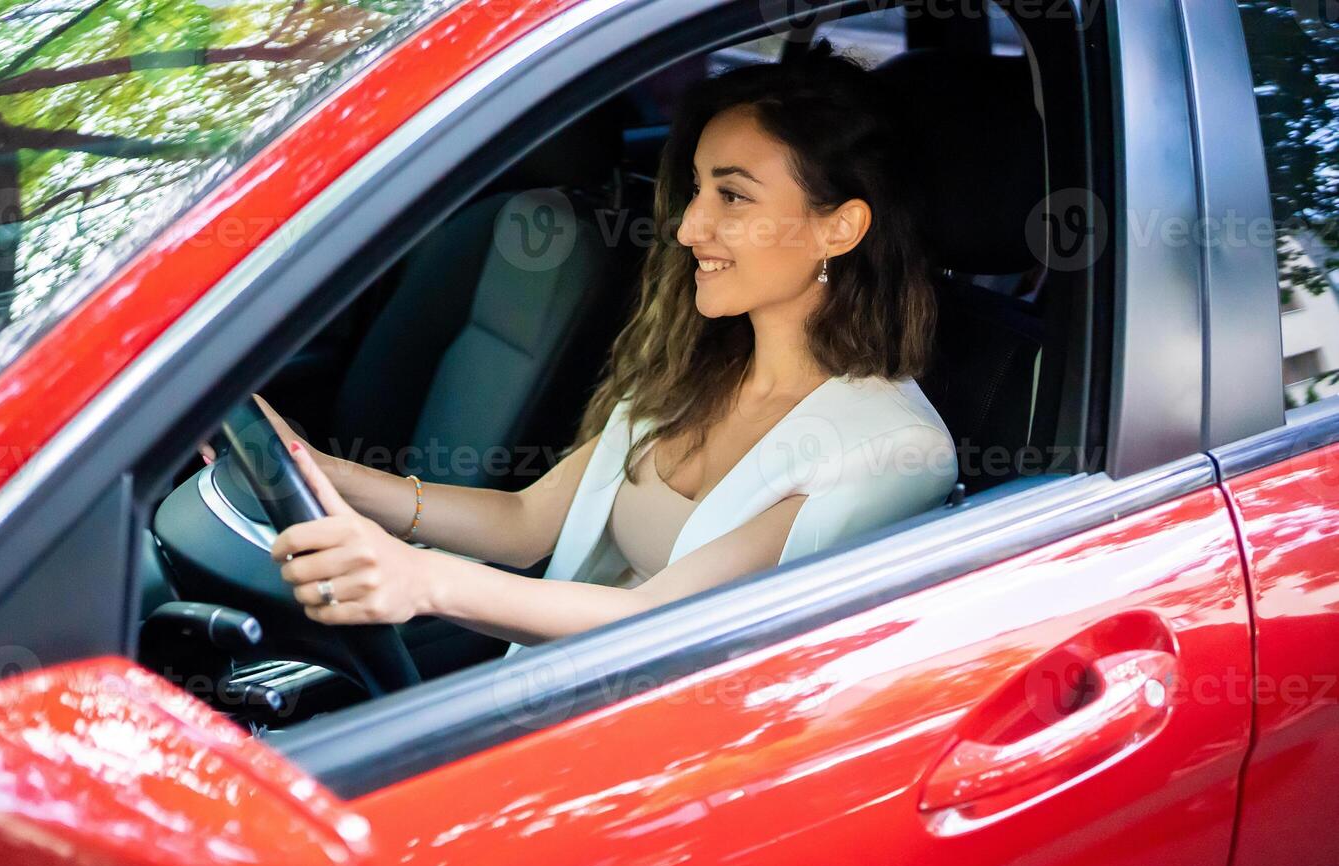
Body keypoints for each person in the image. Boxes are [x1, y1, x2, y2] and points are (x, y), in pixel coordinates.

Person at [256, 44, 958, 661]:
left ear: (839, 229)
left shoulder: (888, 448)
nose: (690, 228)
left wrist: (420, 579)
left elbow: (663, 624)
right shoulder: (697, 365)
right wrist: (324, 475)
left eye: (733, 197)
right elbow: (528, 524)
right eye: (696, 191)